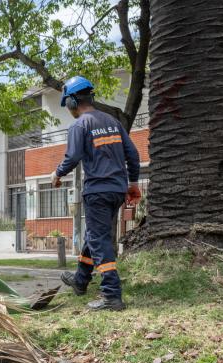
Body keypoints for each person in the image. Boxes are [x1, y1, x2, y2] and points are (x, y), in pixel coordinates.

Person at [51, 76, 141, 311]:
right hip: (116, 191)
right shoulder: (112, 121)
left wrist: (57, 174)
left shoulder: (80, 125)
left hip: (97, 191)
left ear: (71, 101)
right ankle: (80, 281)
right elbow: (132, 154)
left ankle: (111, 295)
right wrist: (133, 183)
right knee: (95, 234)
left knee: (99, 240)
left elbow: (72, 157)